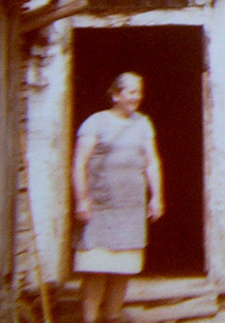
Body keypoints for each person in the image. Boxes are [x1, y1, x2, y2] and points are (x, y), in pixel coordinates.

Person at [72, 72, 164, 323]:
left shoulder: (143, 123)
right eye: (131, 91)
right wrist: (81, 199)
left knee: (124, 267)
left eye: (139, 92)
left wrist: (156, 197)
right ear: (115, 95)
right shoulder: (95, 123)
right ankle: (89, 319)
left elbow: (151, 162)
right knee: (95, 268)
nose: (137, 97)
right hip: (100, 207)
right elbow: (79, 163)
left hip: (131, 207)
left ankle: (112, 316)